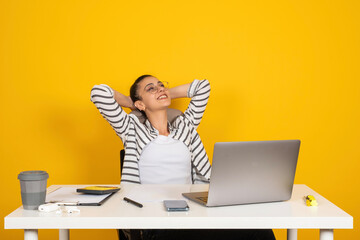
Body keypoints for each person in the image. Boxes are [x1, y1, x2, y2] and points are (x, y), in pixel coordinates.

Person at [90, 75, 276, 240]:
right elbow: (99, 93)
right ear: (140, 104)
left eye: (161, 85)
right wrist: (132, 103)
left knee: (260, 231)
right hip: (153, 221)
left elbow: (202, 87)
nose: (160, 88)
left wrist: (162, 93)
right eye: (151, 88)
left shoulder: (185, 127)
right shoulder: (131, 129)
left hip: (192, 214)